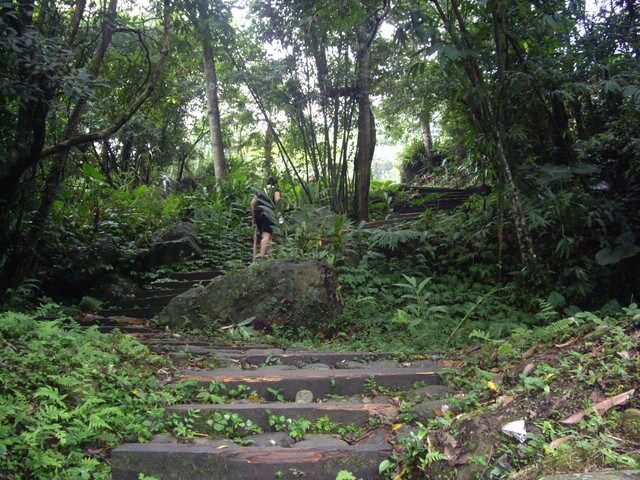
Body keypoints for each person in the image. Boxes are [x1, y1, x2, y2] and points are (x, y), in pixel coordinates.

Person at [250, 176, 281, 259]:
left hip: (258, 212)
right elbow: (277, 200)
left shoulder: (261, 190)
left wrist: (253, 217)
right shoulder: (275, 190)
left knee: (268, 235)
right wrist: (278, 212)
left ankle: (270, 256)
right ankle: (261, 256)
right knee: (266, 236)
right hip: (268, 213)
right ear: (276, 183)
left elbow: (252, 203)